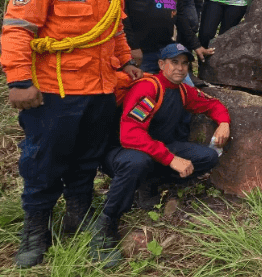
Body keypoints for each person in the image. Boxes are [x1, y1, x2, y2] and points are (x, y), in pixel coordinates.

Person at [0, 0, 143, 268]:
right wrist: (19, 81)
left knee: (86, 160)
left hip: (99, 92)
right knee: (43, 162)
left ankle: (79, 216)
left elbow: (116, 33)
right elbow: (18, 32)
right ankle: (37, 227)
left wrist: (126, 62)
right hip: (53, 93)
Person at [90, 43, 231, 267]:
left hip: (155, 150)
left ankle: (149, 184)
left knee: (208, 157)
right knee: (138, 161)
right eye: (174, 62)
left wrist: (223, 123)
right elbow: (131, 134)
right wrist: (171, 159)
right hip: (121, 153)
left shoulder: (183, 91)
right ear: (161, 64)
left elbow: (211, 104)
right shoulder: (148, 88)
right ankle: (106, 225)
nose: (180, 68)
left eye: (185, 63)